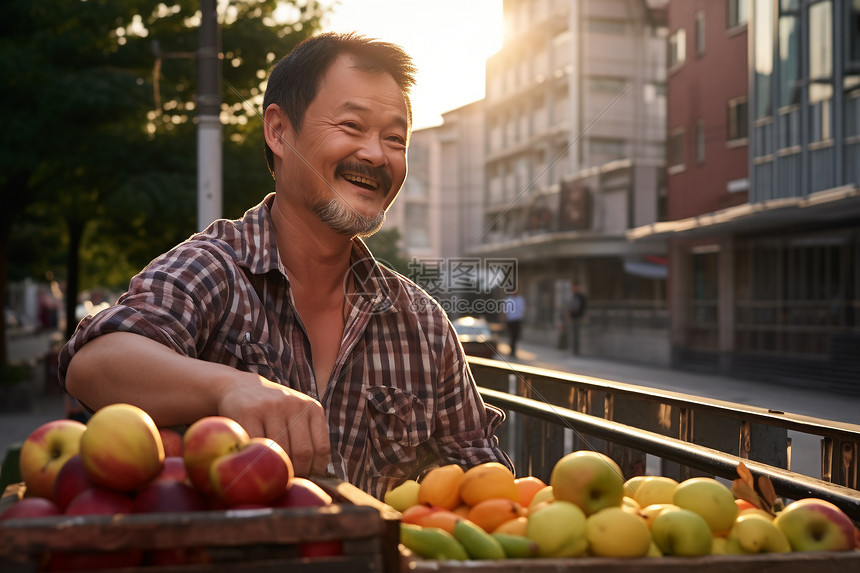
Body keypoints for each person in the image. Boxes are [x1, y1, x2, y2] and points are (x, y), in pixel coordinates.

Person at [58, 32, 512, 500]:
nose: (376, 154)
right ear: (278, 131)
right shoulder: (214, 268)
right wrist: (230, 387)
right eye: (352, 125)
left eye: (395, 138)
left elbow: (485, 481)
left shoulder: (424, 325)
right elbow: (94, 365)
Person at [565, 281, 588, 355]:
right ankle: (573, 349)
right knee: (572, 334)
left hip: (578, 317)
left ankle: (576, 350)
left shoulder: (581, 296)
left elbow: (583, 307)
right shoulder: (573, 295)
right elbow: (569, 306)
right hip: (573, 317)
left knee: (576, 334)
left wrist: (582, 316)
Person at [504, 289, 525, 357]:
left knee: (515, 336)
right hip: (510, 320)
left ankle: (513, 350)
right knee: (511, 335)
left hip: (517, 320)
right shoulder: (508, 299)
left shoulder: (520, 299)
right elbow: (505, 310)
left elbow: (522, 309)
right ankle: (511, 350)